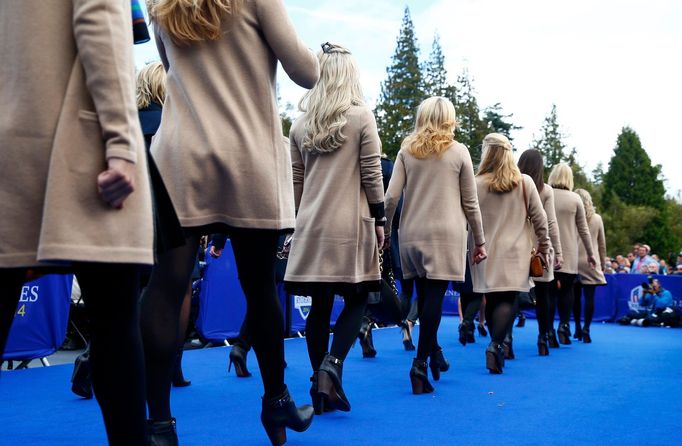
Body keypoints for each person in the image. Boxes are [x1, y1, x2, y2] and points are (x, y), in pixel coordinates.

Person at [142, 0, 319, 444]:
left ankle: (159, 423)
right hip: (246, 157)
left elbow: (171, 69)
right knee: (259, 287)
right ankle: (276, 401)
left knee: (165, 289)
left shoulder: (160, 5)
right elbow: (306, 72)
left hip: (180, 156)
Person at [0, 1, 154, 444]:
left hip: (15, 137)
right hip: (78, 144)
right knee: (116, 327)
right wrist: (123, 143)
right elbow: (100, 16)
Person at [284, 42, 384, 414]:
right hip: (350, 223)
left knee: (320, 306)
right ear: (349, 76)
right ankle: (332, 368)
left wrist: (294, 222)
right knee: (359, 298)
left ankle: (318, 383)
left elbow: (296, 181)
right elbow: (372, 174)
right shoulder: (361, 117)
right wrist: (380, 218)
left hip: (310, 223)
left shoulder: (299, 124)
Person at [384, 96, 487, 392]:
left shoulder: (406, 151)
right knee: (433, 300)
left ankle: (435, 352)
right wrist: (479, 240)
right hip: (445, 235)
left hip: (411, 234)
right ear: (450, 119)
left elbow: (391, 198)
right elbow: (471, 202)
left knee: (423, 296)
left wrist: (386, 230)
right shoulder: (459, 152)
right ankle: (419, 365)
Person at [469, 134, 549, 374]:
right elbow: (540, 219)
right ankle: (496, 344)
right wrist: (544, 246)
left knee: (492, 299)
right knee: (509, 300)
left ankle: (499, 344)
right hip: (516, 251)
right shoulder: (524, 182)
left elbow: (468, 216)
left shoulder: (476, 183)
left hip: (485, 250)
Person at [136, 61, 191, 388]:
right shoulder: (171, 124)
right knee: (176, 291)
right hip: (170, 217)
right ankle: (172, 364)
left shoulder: (130, 121)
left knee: (134, 293)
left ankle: (93, 360)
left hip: (130, 217)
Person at [517, 149, 563, 356]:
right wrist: (557, 251)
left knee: (511, 294)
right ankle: (543, 337)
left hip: (517, 246)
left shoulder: (513, 185)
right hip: (540, 250)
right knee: (545, 295)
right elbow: (550, 223)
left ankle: (505, 340)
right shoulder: (545, 191)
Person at [547, 163, 596, 345]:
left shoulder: (545, 194)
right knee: (567, 292)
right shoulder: (575, 199)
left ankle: (548, 331)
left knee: (548, 293)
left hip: (548, 252)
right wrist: (591, 254)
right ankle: (564, 325)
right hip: (569, 253)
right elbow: (583, 230)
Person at [572, 189, 607, 343]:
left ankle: (577, 328)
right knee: (589, 297)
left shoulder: (571, 216)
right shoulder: (597, 219)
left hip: (573, 261)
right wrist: (603, 263)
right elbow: (602, 244)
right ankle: (587, 328)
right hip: (590, 262)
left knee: (574, 297)